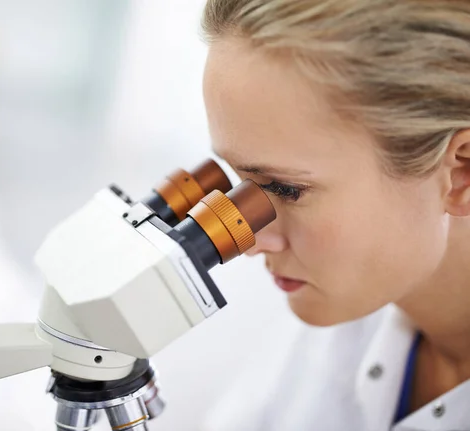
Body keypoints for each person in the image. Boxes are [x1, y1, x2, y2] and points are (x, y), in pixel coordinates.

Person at [199, 1, 470, 430]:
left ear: (460, 174)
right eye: (237, 181)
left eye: (287, 190)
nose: (249, 238)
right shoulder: (336, 320)